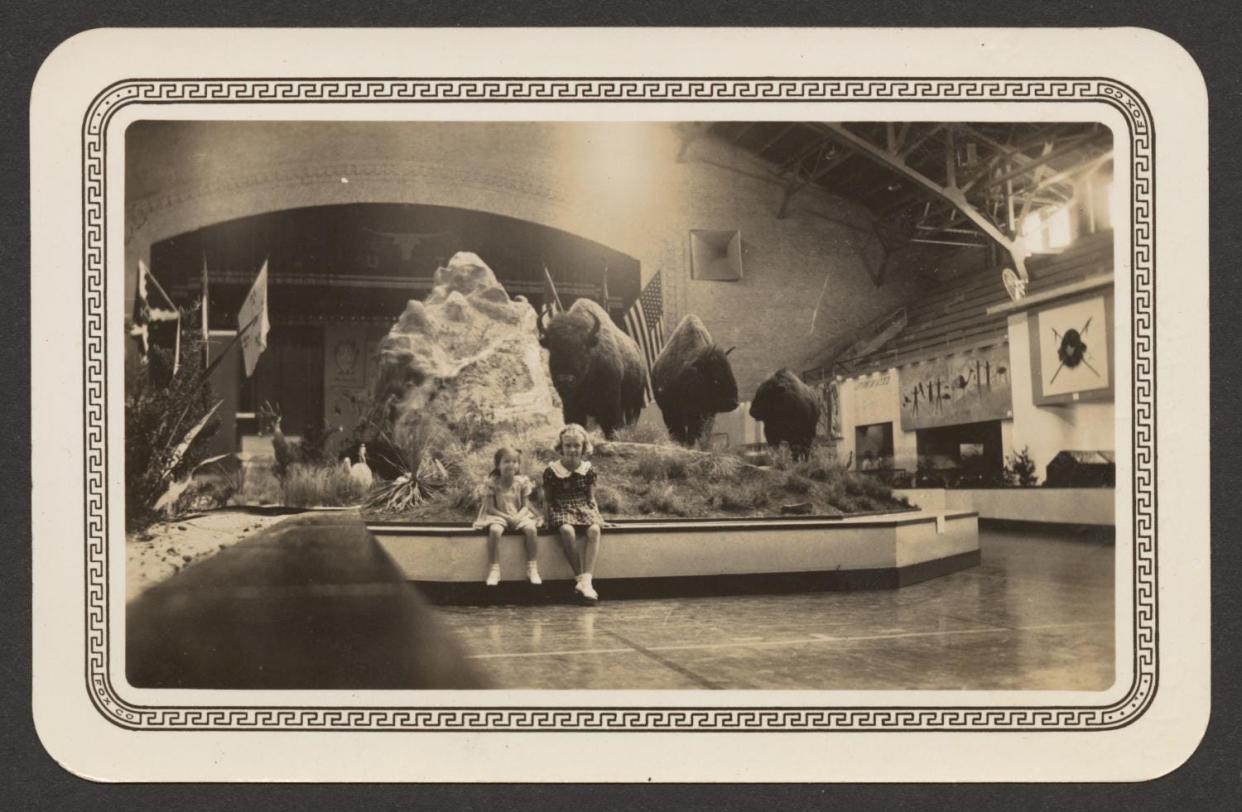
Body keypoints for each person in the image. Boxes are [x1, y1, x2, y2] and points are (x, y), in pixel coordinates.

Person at [543, 424, 605, 603]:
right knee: (567, 531)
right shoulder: (552, 471)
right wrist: (546, 520)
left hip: (582, 506)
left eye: (577, 445)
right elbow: (547, 499)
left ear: (583, 447)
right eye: (568, 445)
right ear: (561, 447)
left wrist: (598, 518)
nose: (572, 450)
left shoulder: (588, 470)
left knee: (594, 530)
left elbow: (590, 498)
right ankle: (579, 577)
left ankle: (587, 580)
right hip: (561, 506)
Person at [473, 447, 542, 587]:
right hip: (497, 515)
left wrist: (517, 517)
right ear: (498, 465)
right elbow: (490, 508)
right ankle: (494, 569)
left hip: (518, 514)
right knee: (495, 531)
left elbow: (525, 506)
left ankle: (532, 567)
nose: (511, 465)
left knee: (531, 530)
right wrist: (507, 518)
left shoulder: (522, 482)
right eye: (506, 461)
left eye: (515, 462)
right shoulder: (492, 483)